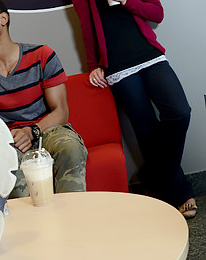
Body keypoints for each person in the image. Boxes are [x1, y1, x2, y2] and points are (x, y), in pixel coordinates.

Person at [0, 0, 88, 199]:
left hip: (46, 129)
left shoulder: (42, 55)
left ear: (3, 18)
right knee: (14, 183)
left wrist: (31, 131)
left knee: (70, 148)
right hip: (5, 142)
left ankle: (75, 217)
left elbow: (61, 112)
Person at [72, 0, 196, 218]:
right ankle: (180, 194)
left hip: (150, 55)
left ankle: (151, 175)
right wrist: (93, 66)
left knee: (180, 113)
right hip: (117, 66)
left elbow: (157, 13)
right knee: (146, 129)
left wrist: (127, 1)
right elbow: (87, 27)